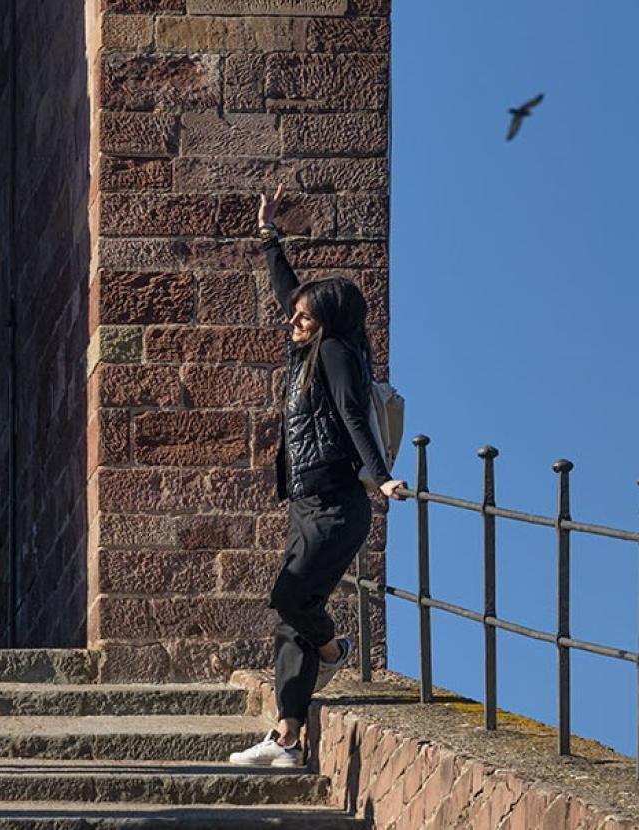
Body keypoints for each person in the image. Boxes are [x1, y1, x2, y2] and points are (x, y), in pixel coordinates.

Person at [229, 184, 407, 767]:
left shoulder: (335, 356)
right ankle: (285, 738)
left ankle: (332, 650)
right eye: (297, 316)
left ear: (326, 323)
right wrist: (269, 235)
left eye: (305, 318)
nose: (294, 322)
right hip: (305, 503)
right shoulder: (308, 349)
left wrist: (380, 479)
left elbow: (356, 416)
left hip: (336, 504)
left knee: (291, 596)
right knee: (291, 616)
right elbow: (286, 292)